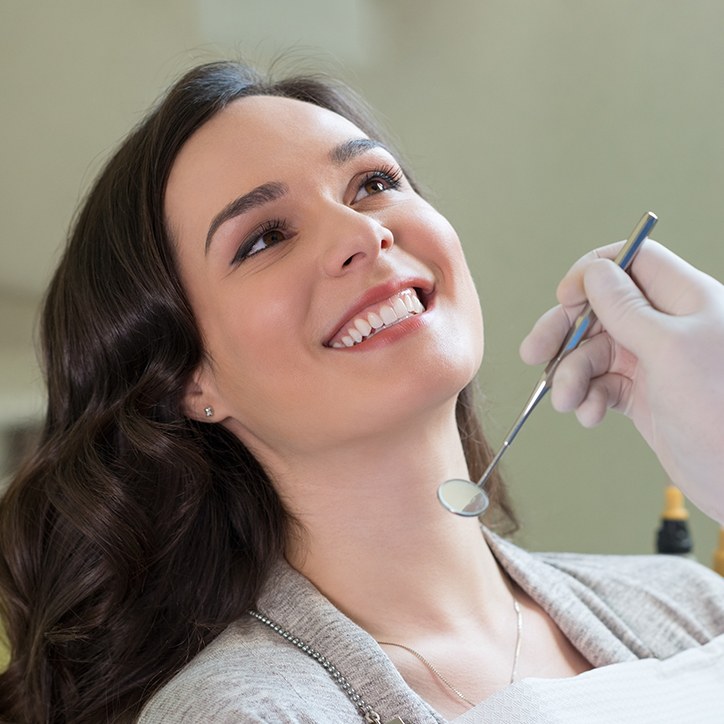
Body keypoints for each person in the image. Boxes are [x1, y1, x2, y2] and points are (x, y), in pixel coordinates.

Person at [0, 60, 722, 724]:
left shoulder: (690, 605)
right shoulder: (245, 713)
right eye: (264, 238)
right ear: (192, 381)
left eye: (373, 185)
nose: (363, 234)